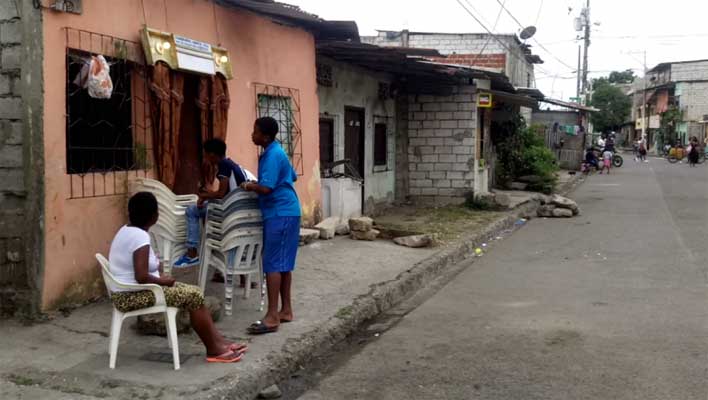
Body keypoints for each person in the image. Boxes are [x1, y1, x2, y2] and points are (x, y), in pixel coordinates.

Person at [109, 192, 247, 363]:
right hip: (132, 296)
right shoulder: (140, 237)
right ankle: (214, 350)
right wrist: (163, 281)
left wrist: (158, 275)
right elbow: (141, 276)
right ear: (154, 216)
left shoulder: (126, 230)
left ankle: (219, 342)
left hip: (127, 292)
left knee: (195, 292)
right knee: (193, 296)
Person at [241, 117, 301, 335]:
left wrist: (248, 185)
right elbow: (290, 176)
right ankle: (286, 310)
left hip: (280, 212)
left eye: (255, 131)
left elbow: (266, 187)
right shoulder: (273, 152)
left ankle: (272, 316)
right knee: (283, 264)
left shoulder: (273, 154)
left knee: (273, 264)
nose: (252, 134)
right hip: (286, 211)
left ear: (265, 136)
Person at [174, 139, 254, 268]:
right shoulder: (231, 164)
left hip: (230, 212)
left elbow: (221, 194)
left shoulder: (223, 165)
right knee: (203, 207)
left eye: (206, 154)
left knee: (191, 210)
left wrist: (204, 196)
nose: (205, 158)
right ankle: (218, 268)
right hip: (240, 210)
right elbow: (225, 192)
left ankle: (192, 254)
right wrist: (207, 195)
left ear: (212, 154)